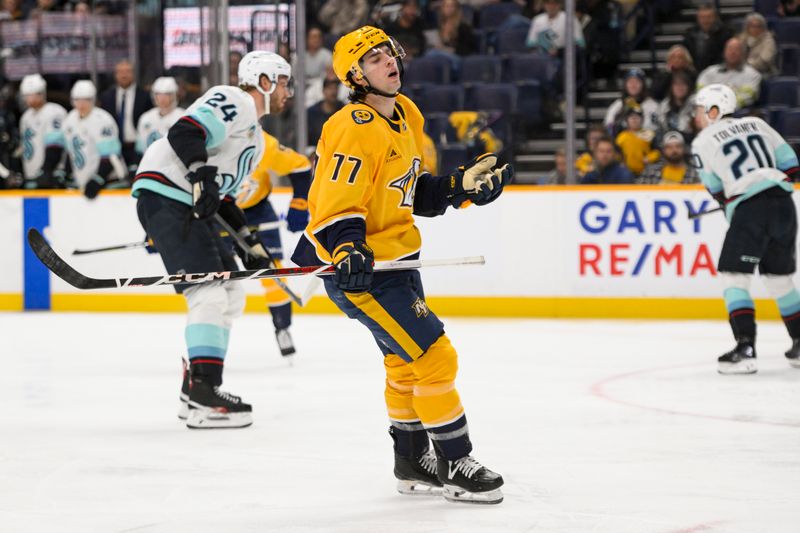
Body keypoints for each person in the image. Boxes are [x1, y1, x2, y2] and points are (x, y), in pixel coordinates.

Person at [291, 26, 510, 503]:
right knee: (434, 355)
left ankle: (411, 460)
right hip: (363, 270)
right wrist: (347, 246)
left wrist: (460, 189)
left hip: (399, 261)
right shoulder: (353, 124)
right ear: (354, 74)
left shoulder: (406, 114)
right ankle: (455, 462)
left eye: (388, 52)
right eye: (373, 58)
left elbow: (412, 194)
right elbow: (333, 201)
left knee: (404, 362)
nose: (388, 61)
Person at [131, 52, 287, 428]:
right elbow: (185, 132)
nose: (288, 91)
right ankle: (205, 392)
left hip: (182, 202)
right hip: (168, 195)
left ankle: (196, 388)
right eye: (284, 81)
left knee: (230, 292)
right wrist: (200, 175)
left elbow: (224, 198)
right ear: (263, 81)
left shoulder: (258, 141)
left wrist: (250, 243)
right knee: (209, 291)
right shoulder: (236, 99)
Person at [691, 84, 800, 374]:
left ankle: (745, 348)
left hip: (752, 211)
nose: (698, 116)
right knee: (779, 280)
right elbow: (791, 165)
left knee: (734, 276)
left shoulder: (703, 141)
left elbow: (717, 189)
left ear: (714, 111)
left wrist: (738, 205)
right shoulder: (757, 123)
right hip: (784, 205)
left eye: (701, 110)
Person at [236, 74, 311, 357]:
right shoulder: (210, 144)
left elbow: (301, 167)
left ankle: (282, 327)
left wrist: (300, 203)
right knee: (212, 276)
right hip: (219, 213)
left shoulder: (263, 143)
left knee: (274, 273)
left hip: (257, 211)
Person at [63, 80, 125, 199]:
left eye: (86, 100)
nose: (81, 104)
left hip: (108, 183)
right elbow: (70, 152)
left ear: (93, 100)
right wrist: (67, 174)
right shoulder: (69, 120)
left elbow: (111, 156)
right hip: (82, 182)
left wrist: (98, 178)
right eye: (77, 100)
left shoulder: (103, 120)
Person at [100, 59, 153, 169]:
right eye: (120, 72)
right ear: (115, 75)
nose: (124, 75)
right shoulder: (106, 97)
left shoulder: (145, 96)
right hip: (114, 149)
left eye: (127, 71)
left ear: (133, 74)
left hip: (138, 148)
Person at [18, 74, 67, 189]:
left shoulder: (55, 112)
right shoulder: (26, 117)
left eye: (33, 95)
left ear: (42, 93)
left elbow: (55, 146)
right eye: (27, 95)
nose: (30, 99)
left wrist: (46, 170)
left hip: (51, 175)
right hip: (31, 175)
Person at [696, 38, 762, 109]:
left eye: (736, 49)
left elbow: (747, 97)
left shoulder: (752, 74)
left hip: (736, 114)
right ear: (724, 52)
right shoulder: (709, 72)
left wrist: (722, 107)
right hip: (709, 111)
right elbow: (701, 93)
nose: (732, 52)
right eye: (730, 49)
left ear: (743, 54)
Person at [135, 76, 185, 155]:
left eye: (167, 94)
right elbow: (140, 149)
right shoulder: (145, 117)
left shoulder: (183, 117)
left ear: (174, 95)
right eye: (158, 94)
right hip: (149, 162)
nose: (162, 98)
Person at [603, 68, 658, 136]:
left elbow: (654, 130)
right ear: (625, 85)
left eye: (637, 82)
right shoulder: (618, 104)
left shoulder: (652, 105)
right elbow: (609, 124)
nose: (633, 85)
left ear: (643, 85)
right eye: (630, 82)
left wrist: (635, 135)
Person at [683, 3, 733, 71]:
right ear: (698, 18)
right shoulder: (690, 34)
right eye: (702, 17)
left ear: (715, 18)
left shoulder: (726, 34)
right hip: (694, 72)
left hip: (717, 71)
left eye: (709, 17)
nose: (705, 20)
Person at [615, 106, 659, 178]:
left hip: (646, 171)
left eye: (637, 117)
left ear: (642, 119)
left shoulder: (649, 134)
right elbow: (617, 154)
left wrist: (649, 158)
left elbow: (657, 151)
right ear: (627, 120)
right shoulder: (621, 137)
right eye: (631, 117)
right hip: (626, 172)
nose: (634, 119)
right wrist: (620, 163)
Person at [654, 70, 695, 141]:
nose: (680, 88)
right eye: (676, 84)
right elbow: (660, 127)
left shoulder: (695, 104)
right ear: (671, 87)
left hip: (690, 141)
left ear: (688, 87)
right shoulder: (664, 106)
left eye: (683, 84)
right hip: (668, 142)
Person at [737, 13, 778, 79]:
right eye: (752, 26)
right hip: (742, 70)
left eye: (758, 26)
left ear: (763, 28)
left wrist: (748, 66)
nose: (755, 29)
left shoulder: (768, 40)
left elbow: (765, 60)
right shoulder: (742, 38)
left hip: (763, 72)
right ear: (747, 27)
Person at [307, 78, 345, 147]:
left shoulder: (344, 111)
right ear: (323, 91)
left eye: (335, 88)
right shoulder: (312, 113)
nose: (333, 92)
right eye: (330, 88)